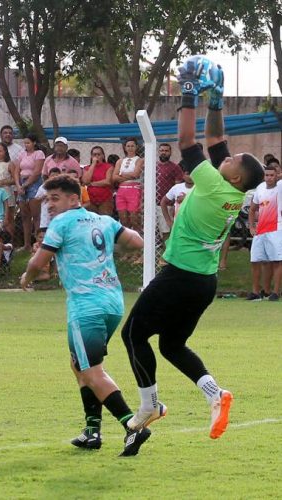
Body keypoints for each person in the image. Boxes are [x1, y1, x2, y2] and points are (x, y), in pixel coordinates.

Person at [120, 57, 264, 440]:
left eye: (231, 160)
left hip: (179, 277)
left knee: (132, 334)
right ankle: (215, 394)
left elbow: (187, 142)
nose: (226, 156)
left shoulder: (215, 184)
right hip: (203, 283)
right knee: (171, 345)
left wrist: (187, 93)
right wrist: (215, 103)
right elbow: (217, 141)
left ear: (232, 174)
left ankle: (150, 404)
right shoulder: (234, 188)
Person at [20, 174, 150, 457]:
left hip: (85, 305)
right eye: (47, 200)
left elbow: (39, 261)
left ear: (74, 198)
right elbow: (137, 241)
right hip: (113, 302)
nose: (50, 206)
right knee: (78, 364)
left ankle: (132, 424)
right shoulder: (103, 221)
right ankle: (92, 431)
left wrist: (26, 276)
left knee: (91, 370)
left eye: (55, 199)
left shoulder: (61, 223)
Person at [246, 164, 282, 301]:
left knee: (277, 261)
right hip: (261, 229)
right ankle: (256, 292)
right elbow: (252, 209)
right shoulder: (260, 188)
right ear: (264, 176)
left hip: (276, 228)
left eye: (272, 175)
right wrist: (251, 227)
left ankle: (275, 292)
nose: (269, 178)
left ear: (277, 176)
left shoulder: (280, 187)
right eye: (267, 175)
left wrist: (279, 175)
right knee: (255, 260)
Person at [12, 133, 45, 251]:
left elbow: (37, 172)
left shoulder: (39, 154)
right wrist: (18, 184)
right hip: (22, 182)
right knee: (25, 215)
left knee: (36, 215)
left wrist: (26, 185)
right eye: (25, 143)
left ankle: (38, 243)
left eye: (28, 142)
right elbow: (16, 170)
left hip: (33, 183)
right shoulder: (22, 154)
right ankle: (26, 244)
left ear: (34, 143)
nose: (26, 145)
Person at [112, 138, 144, 232]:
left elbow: (136, 174)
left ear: (136, 147)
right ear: (125, 147)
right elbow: (114, 177)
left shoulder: (139, 160)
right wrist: (128, 176)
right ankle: (128, 240)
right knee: (123, 218)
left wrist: (121, 175)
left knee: (134, 217)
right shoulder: (120, 161)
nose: (130, 148)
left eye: (132, 146)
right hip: (121, 190)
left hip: (134, 189)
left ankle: (139, 240)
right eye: (128, 146)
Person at [155, 143, 183, 243]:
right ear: (158, 152)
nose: (164, 153)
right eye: (162, 150)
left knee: (166, 230)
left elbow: (178, 187)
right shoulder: (153, 167)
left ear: (170, 152)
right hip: (151, 203)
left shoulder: (175, 168)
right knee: (152, 230)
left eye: (166, 151)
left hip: (167, 204)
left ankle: (168, 253)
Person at [81, 146, 114, 216]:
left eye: (99, 154)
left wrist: (92, 184)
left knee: (104, 221)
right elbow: (85, 181)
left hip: (105, 199)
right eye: (94, 154)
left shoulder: (108, 167)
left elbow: (107, 182)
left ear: (103, 156)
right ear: (91, 156)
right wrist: (93, 164)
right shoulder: (87, 168)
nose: (96, 156)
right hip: (91, 199)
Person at [160, 165, 194, 231]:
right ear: (183, 175)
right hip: (179, 225)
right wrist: (168, 221)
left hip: (195, 225)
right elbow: (163, 202)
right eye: (187, 174)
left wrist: (186, 198)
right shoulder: (177, 187)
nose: (190, 176)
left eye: (192, 174)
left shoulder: (200, 188)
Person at [0, 142, 16, 236]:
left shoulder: (9, 164)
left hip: (6, 192)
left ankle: (11, 240)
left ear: (5, 151)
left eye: (0, 151)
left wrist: (2, 182)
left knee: (9, 218)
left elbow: (15, 179)